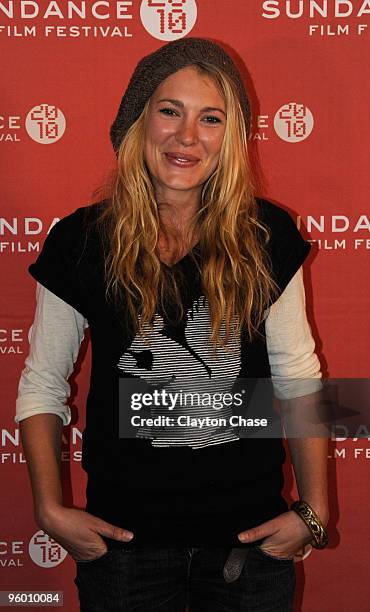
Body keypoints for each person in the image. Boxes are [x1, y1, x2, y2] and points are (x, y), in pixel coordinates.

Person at [16, 38, 329, 612]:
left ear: (230, 137)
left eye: (210, 118)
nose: (188, 137)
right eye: (169, 111)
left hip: (252, 549)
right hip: (123, 550)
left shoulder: (268, 236)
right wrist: (49, 507)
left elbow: (298, 377)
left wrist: (314, 510)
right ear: (137, 121)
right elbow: (43, 382)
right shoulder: (83, 242)